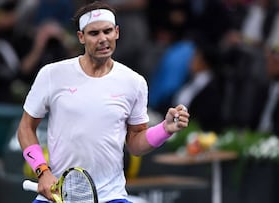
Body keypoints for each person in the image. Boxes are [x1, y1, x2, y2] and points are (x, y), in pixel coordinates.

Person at [17, 1, 190, 203]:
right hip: (57, 195)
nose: (102, 39)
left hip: (111, 197)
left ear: (116, 32)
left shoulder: (134, 82)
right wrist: (42, 171)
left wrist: (165, 129)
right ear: (81, 37)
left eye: (107, 31)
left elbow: (134, 144)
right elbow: (26, 127)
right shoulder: (51, 74)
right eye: (94, 33)